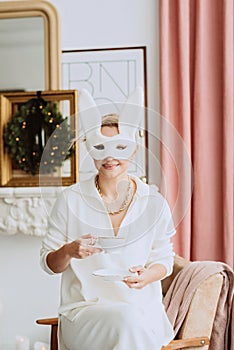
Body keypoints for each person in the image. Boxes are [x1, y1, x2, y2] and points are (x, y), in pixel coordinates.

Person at [40, 87, 176, 350]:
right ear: (90, 150)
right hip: (85, 313)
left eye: (120, 146)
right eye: (101, 147)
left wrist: (148, 275)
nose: (110, 156)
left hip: (142, 311)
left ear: (133, 151)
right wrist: (69, 250)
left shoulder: (154, 202)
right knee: (127, 321)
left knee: (131, 319)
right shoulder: (71, 200)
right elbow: (49, 265)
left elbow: (164, 259)